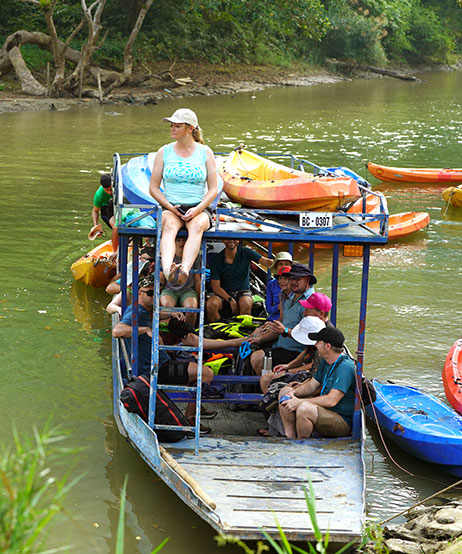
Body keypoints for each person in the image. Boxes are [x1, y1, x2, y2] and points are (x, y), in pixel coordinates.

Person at [112, 276, 215, 428]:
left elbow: (155, 314)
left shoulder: (147, 310)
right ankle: (191, 417)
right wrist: (145, 330)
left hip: (160, 363)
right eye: (150, 293)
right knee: (205, 373)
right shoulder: (137, 312)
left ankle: (194, 407)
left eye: (157, 293)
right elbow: (117, 331)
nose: (154, 296)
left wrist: (170, 314)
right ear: (140, 293)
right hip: (154, 369)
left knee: (195, 366)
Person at [149, 108, 218, 287]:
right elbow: (154, 189)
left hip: (198, 206)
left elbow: (213, 189)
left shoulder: (205, 152)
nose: (172, 129)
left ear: (190, 128)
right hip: (171, 206)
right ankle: (167, 269)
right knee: (170, 225)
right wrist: (170, 207)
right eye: (172, 125)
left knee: (197, 226)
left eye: (177, 126)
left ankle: (185, 269)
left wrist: (199, 209)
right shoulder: (164, 152)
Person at [278, 326, 356, 439]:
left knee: (304, 408)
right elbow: (311, 385)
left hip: (341, 420)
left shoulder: (345, 368)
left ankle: (302, 445)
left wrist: (299, 402)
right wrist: (293, 394)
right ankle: (289, 437)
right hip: (325, 411)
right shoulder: (325, 362)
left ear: (327, 346)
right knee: (285, 391)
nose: (315, 345)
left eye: (318, 342)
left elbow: (331, 400)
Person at [249, 262, 317, 375]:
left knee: (257, 358)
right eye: (291, 278)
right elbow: (282, 321)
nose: (293, 282)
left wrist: (284, 331)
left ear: (307, 279)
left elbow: (309, 336)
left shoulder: (311, 301)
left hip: (296, 351)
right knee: (250, 345)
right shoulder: (289, 296)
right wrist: (262, 334)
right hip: (280, 344)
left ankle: (266, 385)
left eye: (298, 279)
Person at [206, 239, 273, 322]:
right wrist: (230, 299)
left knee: (246, 303)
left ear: (238, 240)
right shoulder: (217, 260)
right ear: (223, 240)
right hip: (223, 293)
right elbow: (216, 287)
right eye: (228, 238)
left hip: (243, 292)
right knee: (211, 304)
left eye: (234, 238)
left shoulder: (246, 252)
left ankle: (242, 332)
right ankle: (216, 330)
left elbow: (265, 262)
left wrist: (284, 264)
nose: (231, 240)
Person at [160, 237, 201, 327]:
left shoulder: (195, 256)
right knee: (167, 305)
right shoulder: (168, 256)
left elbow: (198, 280)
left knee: (191, 307)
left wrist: (200, 299)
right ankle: (172, 333)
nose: (181, 243)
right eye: (178, 240)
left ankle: (188, 332)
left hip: (188, 290)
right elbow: (161, 279)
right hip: (169, 290)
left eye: (184, 240)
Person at [91, 173, 118, 256]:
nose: (110, 192)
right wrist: (96, 226)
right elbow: (95, 211)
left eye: (111, 189)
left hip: (117, 207)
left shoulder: (118, 187)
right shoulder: (99, 194)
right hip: (106, 209)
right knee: (115, 227)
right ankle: (115, 251)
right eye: (107, 190)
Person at [265, 252, 293, 321]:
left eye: (286, 264)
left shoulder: (295, 284)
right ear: (276, 267)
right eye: (280, 264)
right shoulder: (271, 284)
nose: (283, 266)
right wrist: (278, 307)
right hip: (275, 319)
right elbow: (268, 308)